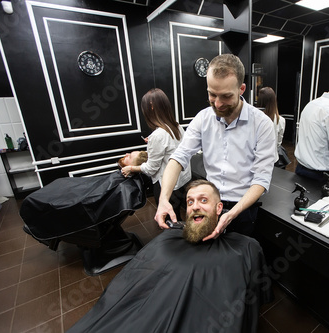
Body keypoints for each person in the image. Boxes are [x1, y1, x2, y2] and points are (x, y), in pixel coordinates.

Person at [66, 179, 273, 333]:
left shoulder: (245, 248)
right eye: (190, 202)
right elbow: (132, 282)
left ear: (219, 208)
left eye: (203, 200)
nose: (195, 206)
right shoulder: (167, 239)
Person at [154, 54, 276, 239]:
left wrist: (232, 214)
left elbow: (261, 179)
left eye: (226, 96)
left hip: (242, 206)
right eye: (212, 94)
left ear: (241, 89)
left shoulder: (262, 124)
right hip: (210, 204)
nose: (218, 103)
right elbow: (178, 158)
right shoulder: (203, 118)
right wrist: (163, 199)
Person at [121, 88, 191, 220]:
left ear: (151, 108)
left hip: (168, 185)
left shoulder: (158, 135)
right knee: (177, 216)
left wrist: (131, 168)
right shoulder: (177, 126)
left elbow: (151, 168)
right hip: (182, 180)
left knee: (170, 221)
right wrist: (153, 142)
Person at [257, 87, 288, 167]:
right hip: (273, 159)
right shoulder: (280, 120)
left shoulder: (255, 118)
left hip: (257, 160)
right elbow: (278, 143)